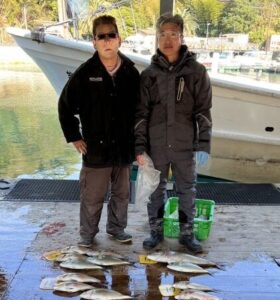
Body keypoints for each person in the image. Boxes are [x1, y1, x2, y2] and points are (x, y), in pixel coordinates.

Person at [58, 15, 139, 246]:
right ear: (94, 42)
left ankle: (116, 229)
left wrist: (140, 144)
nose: (106, 41)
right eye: (100, 36)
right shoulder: (84, 74)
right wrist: (74, 136)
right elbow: (64, 106)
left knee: (122, 194)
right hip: (95, 150)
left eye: (111, 35)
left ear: (119, 40)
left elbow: (142, 111)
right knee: (92, 197)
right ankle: (87, 235)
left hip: (123, 149)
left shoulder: (131, 73)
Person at [135, 13, 212, 253]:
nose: (168, 40)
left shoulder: (196, 72)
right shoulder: (148, 75)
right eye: (163, 35)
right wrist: (139, 148)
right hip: (156, 145)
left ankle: (187, 234)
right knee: (155, 188)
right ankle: (155, 231)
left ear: (181, 37)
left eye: (173, 35)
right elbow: (140, 115)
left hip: (184, 144)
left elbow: (203, 112)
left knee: (186, 188)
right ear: (157, 39)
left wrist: (203, 145)